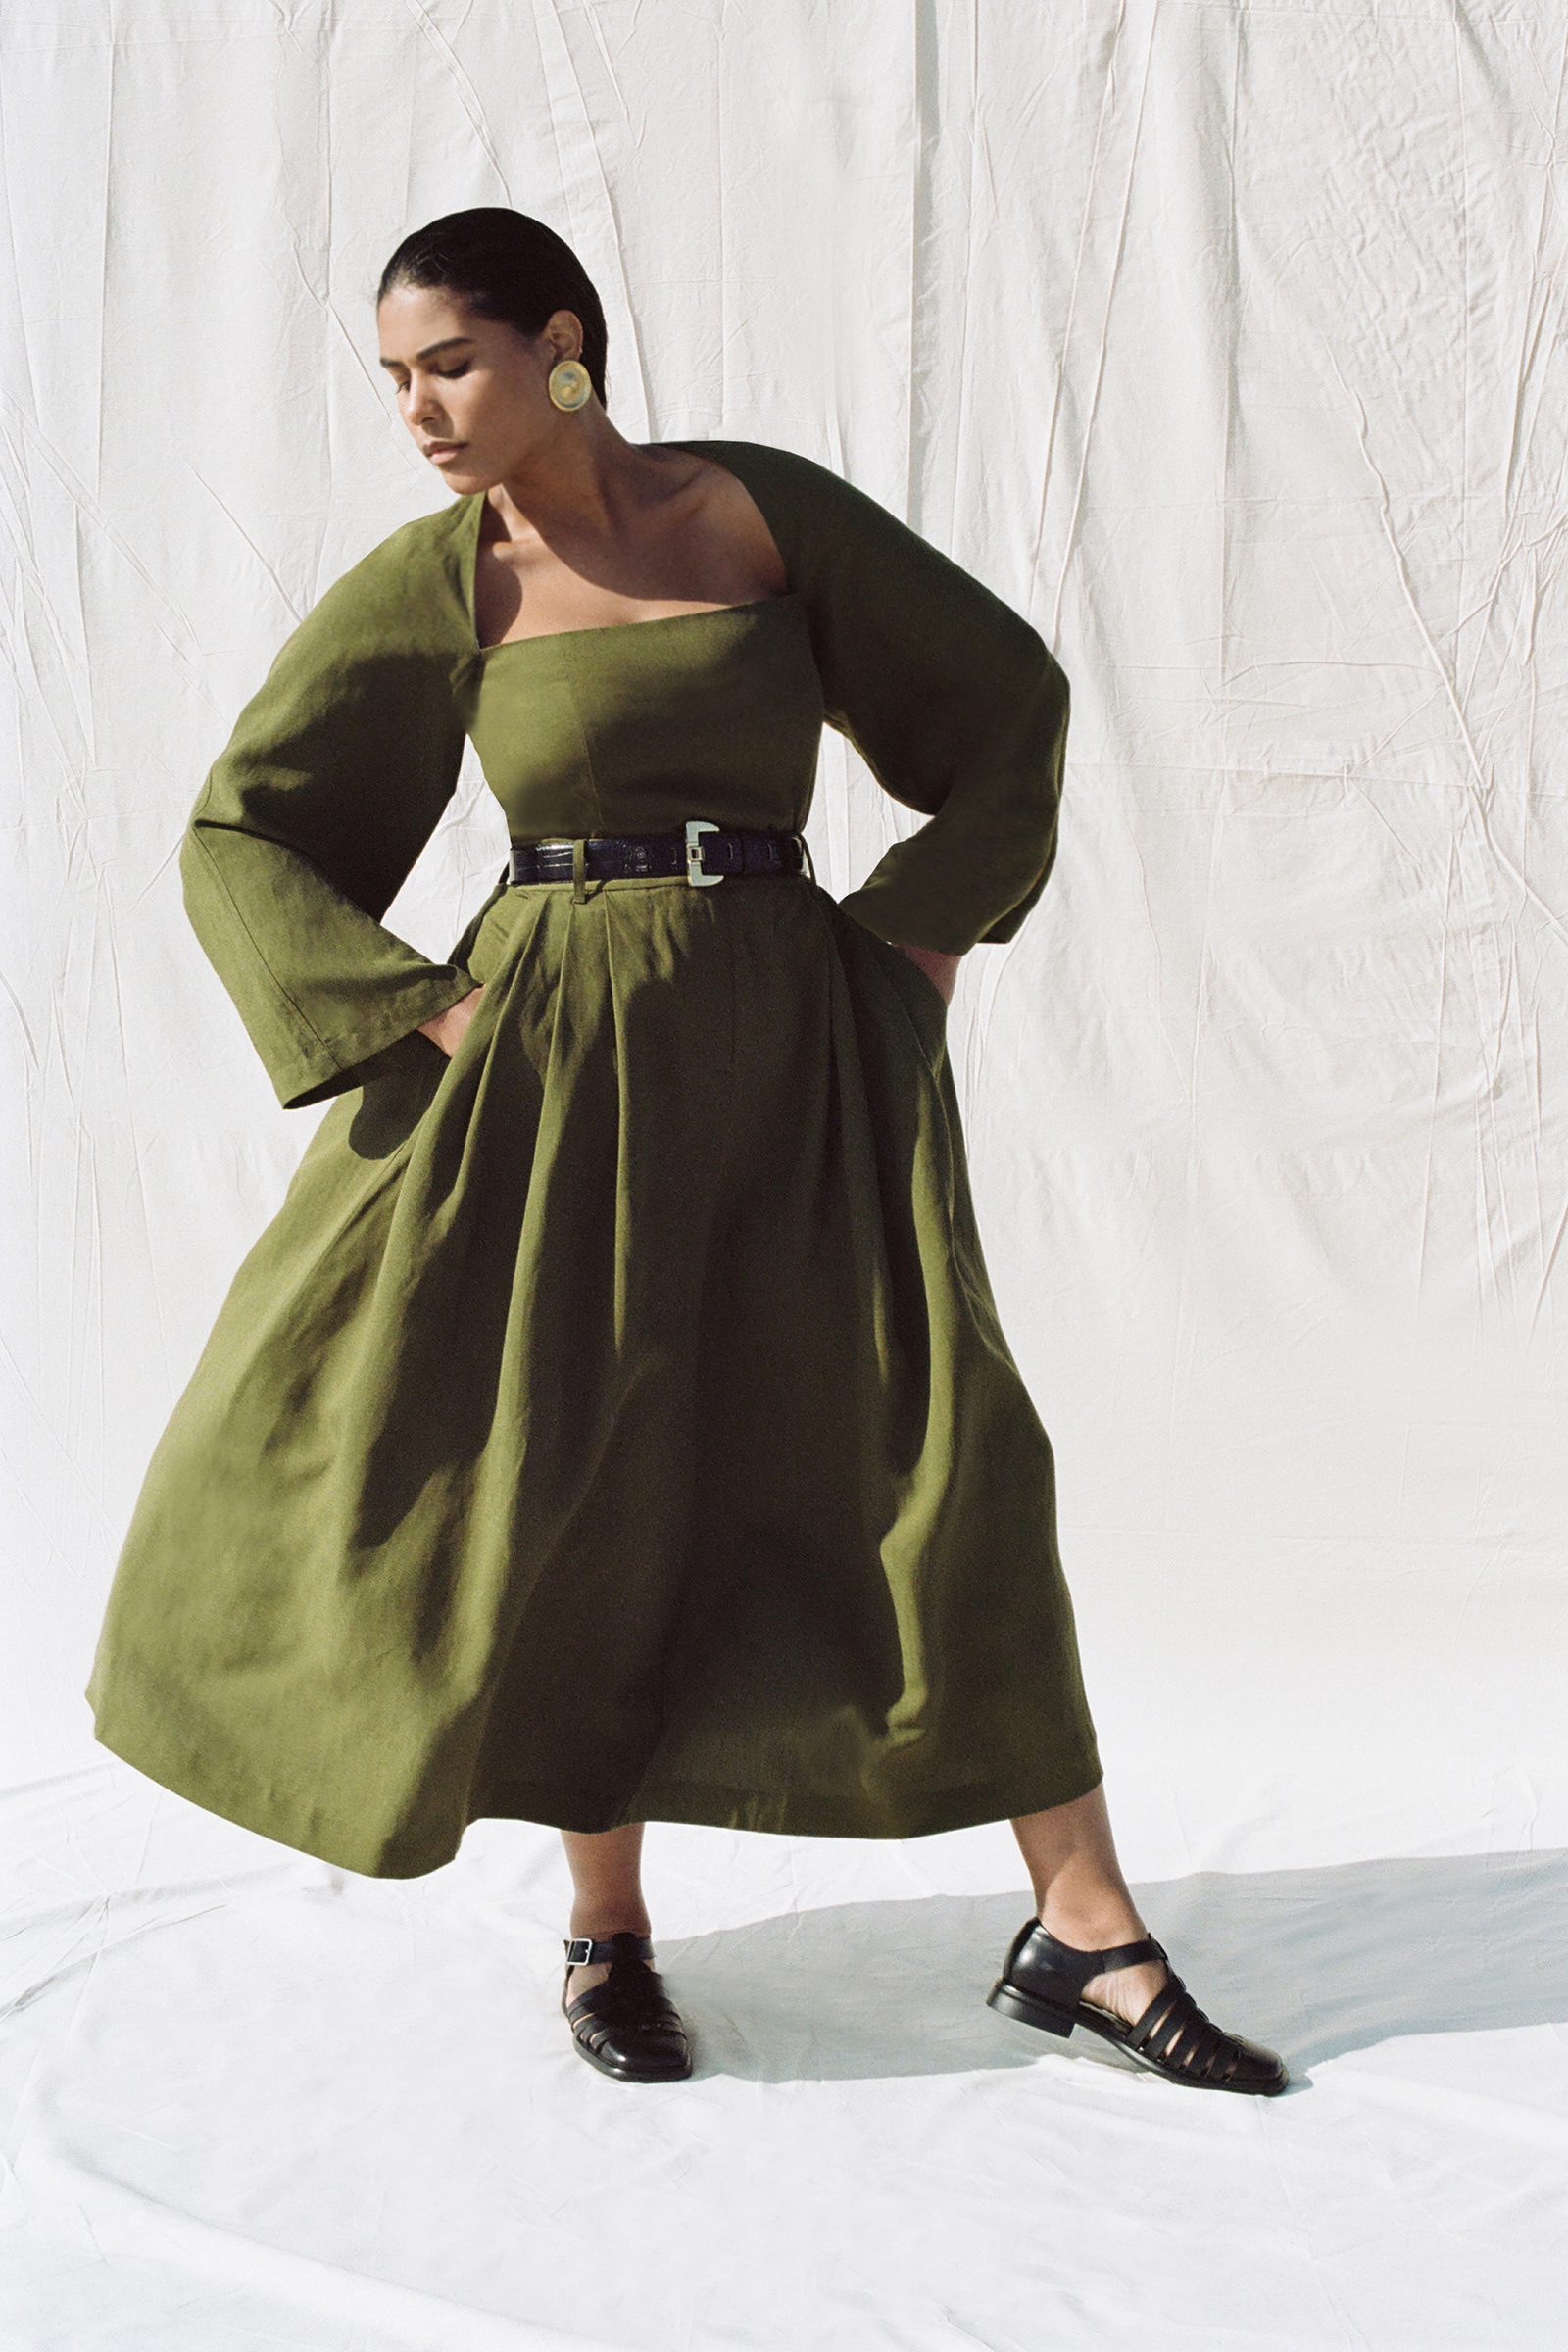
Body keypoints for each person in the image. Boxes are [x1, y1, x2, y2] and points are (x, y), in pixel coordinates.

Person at [86, 207, 1286, 2098]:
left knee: (947, 1457)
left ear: (562, 342)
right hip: (558, 1077)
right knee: (587, 1465)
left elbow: (1010, 708)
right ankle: (607, 1930)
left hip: (801, 1054)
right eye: (393, 378)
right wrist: (425, 1013)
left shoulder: (760, 515)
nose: (419, 411)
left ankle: (1088, 1932)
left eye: (450, 363)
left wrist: (919, 935)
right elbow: (243, 832)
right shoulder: (450, 580)